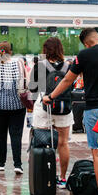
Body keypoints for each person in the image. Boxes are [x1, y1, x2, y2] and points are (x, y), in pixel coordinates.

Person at [42, 28, 98, 195]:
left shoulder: (85, 55)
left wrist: (51, 96)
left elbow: (67, 81)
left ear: (86, 43)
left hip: (96, 111)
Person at [31, 37, 74, 184]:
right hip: (63, 107)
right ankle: (62, 178)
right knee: (63, 143)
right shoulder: (69, 66)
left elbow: (32, 88)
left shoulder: (40, 65)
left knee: (41, 143)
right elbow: (71, 86)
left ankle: (44, 178)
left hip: (43, 106)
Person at [0, 41, 26, 174]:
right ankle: (18, 164)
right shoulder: (18, 62)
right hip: (17, 105)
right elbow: (23, 80)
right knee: (16, 135)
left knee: (1, 134)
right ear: (10, 51)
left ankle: (0, 163)